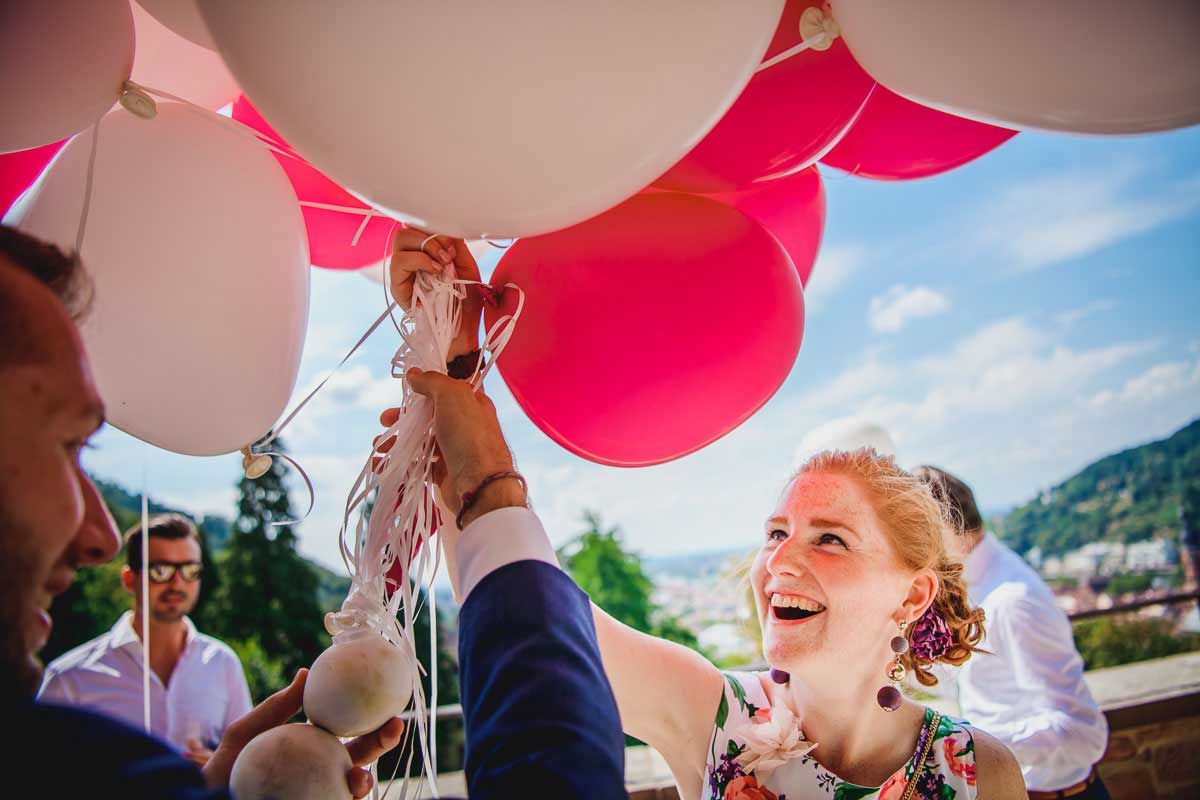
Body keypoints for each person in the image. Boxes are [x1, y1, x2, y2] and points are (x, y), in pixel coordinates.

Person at [388, 230, 1029, 800]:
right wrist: (454, 352)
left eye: (830, 538)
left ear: (913, 594)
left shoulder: (981, 775)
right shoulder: (713, 714)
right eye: (775, 533)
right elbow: (527, 605)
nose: (779, 559)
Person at [0, 224, 625, 799]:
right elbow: (556, 775)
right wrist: (493, 492)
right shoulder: (57, 758)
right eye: (62, 444)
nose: (99, 535)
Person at [915, 466, 1111, 800]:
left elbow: (1082, 734)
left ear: (942, 531)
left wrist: (970, 746)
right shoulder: (975, 581)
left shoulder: (1013, 602)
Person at [40, 514, 252, 766]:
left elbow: (247, 764)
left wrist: (221, 767)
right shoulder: (70, 678)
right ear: (130, 579)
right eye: (160, 571)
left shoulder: (223, 663)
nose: (177, 583)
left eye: (189, 570)